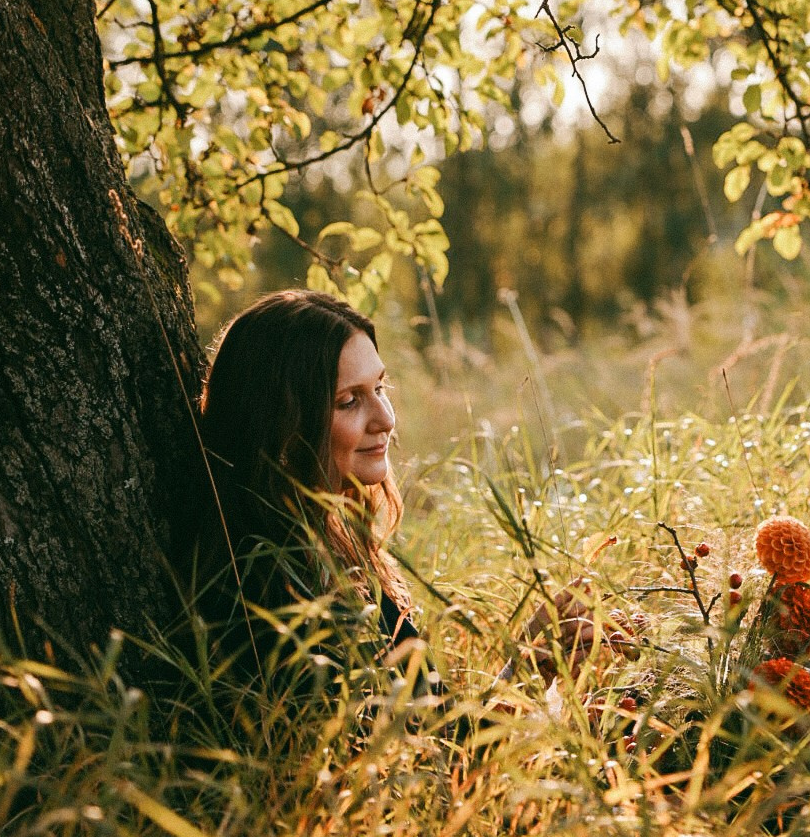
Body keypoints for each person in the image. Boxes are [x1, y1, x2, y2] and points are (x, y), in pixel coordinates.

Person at [180, 288, 629, 689]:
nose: (386, 418)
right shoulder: (271, 587)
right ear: (281, 422)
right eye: (349, 401)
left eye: (380, 387)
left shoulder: (332, 542)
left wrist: (530, 662)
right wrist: (525, 666)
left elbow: (435, 739)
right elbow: (418, 767)